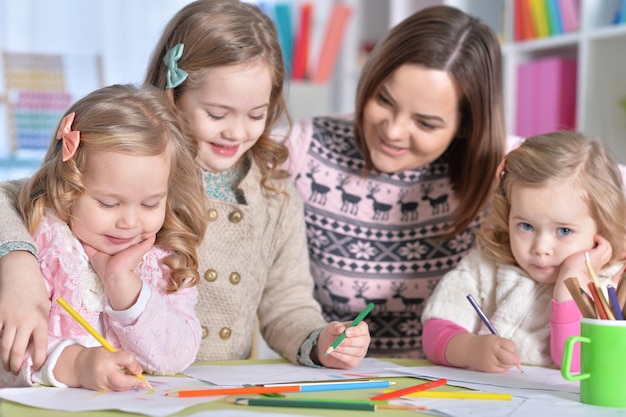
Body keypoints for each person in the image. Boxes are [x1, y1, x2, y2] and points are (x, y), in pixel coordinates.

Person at [0, 0, 370, 371]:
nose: (236, 131)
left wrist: (320, 340)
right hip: (118, 376)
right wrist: (18, 264)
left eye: (256, 115)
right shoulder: (134, 167)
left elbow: (288, 305)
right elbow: (14, 196)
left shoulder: (275, 194)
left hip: (219, 387)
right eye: (216, 113)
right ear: (173, 95)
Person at [281, 5, 506, 358]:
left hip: (453, 390)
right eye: (384, 99)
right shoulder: (305, 147)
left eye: (426, 123)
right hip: (336, 382)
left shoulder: (501, 168)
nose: (394, 131)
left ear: (466, 125)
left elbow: (605, 182)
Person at [0, 84, 208, 390]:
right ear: (66, 188)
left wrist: (123, 284)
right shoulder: (41, 245)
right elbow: (10, 350)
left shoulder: (163, 260)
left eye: (151, 203)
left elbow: (174, 358)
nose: (130, 221)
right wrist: (76, 364)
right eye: (109, 204)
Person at [421, 132, 626, 372]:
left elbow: (576, 363)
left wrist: (571, 280)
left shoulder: (612, 286)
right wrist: (469, 350)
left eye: (563, 230)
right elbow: (435, 332)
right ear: (508, 215)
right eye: (526, 226)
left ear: (602, 226)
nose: (540, 248)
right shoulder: (483, 267)